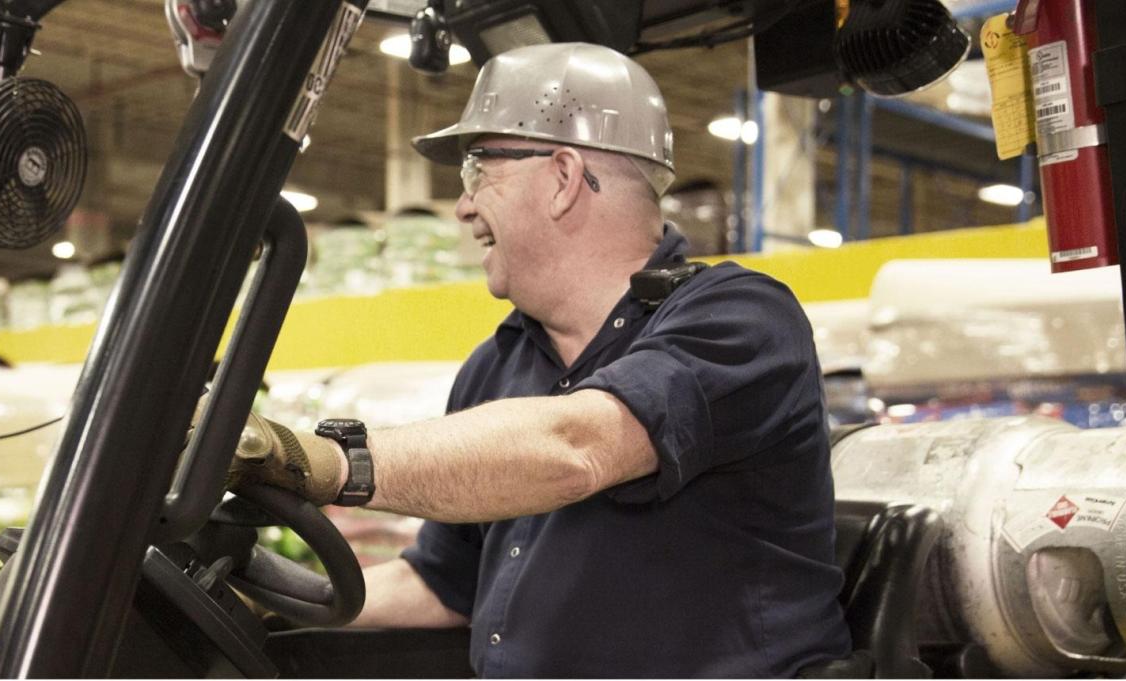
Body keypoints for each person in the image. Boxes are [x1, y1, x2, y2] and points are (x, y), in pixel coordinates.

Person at [213, 42, 851, 677]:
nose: (463, 207)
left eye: (477, 171)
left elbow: (577, 446)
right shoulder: (498, 364)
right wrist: (253, 587)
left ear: (564, 177)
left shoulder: (740, 318)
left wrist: (324, 461)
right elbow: (443, 585)